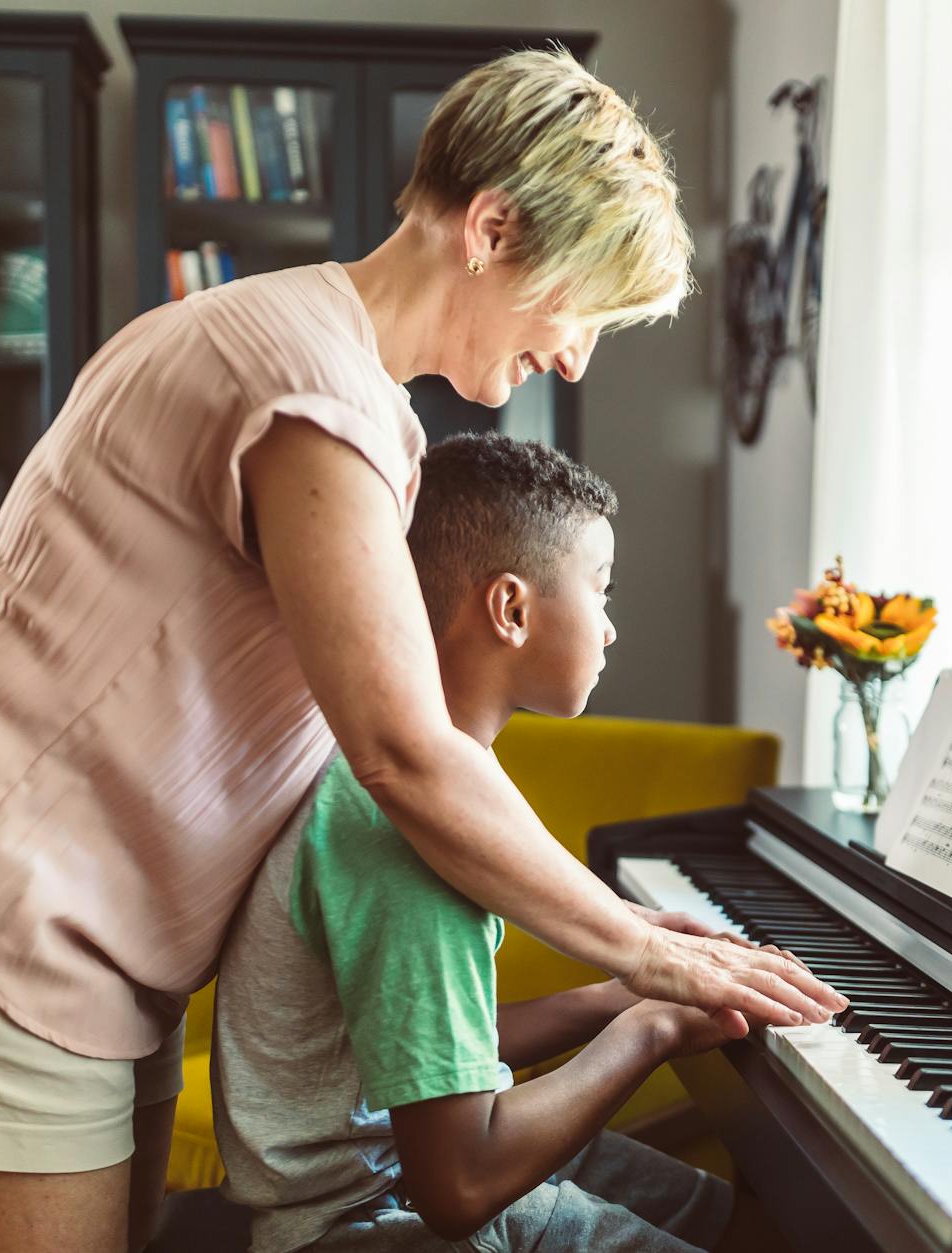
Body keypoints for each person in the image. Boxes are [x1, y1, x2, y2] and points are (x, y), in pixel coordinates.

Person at [0, 47, 842, 1253]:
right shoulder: (307, 381)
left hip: (86, 922)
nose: (573, 356)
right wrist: (644, 952)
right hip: (7, 901)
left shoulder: (301, 355)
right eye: (582, 307)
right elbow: (404, 751)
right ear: (491, 230)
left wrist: (629, 964)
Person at [215, 433, 758, 1252]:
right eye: (601, 588)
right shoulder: (415, 836)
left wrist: (612, 998)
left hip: (401, 1163)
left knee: (732, 1217)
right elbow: (458, 1187)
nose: (610, 629)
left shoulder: (391, 777)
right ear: (511, 610)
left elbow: (426, 1044)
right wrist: (652, 1030)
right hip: (368, 1216)